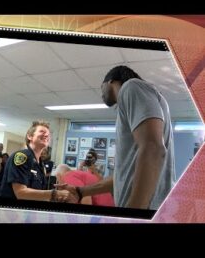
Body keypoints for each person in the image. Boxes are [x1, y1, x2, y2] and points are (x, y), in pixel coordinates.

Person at [58, 65, 176, 210]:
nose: (101, 94)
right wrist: (80, 191)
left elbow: (153, 149)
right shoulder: (134, 101)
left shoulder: (131, 87)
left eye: (101, 88)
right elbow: (122, 177)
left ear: (111, 81)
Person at [0, 121, 77, 203]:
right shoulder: (22, 156)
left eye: (48, 134)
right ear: (30, 136)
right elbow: (20, 193)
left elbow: (38, 190)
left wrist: (58, 189)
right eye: (42, 132)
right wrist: (54, 193)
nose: (46, 135)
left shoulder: (41, 164)